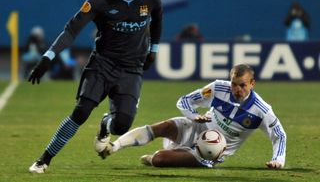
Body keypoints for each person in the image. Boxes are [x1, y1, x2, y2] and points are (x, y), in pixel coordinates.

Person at [28, 0, 163, 173]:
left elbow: (158, 21)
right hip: (102, 64)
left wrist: (153, 49)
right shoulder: (99, 1)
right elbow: (71, 30)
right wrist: (48, 57)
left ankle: (105, 125)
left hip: (131, 69)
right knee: (81, 112)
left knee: (122, 126)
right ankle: (44, 160)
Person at [99, 64, 287, 169]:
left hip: (211, 150)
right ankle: (115, 146)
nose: (237, 89)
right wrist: (193, 116)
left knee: (159, 160)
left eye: (242, 85)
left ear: (252, 83)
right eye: (234, 84)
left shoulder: (261, 110)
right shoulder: (217, 88)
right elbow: (184, 101)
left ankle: (162, 154)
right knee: (163, 127)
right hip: (199, 127)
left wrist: (278, 160)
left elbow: (279, 134)